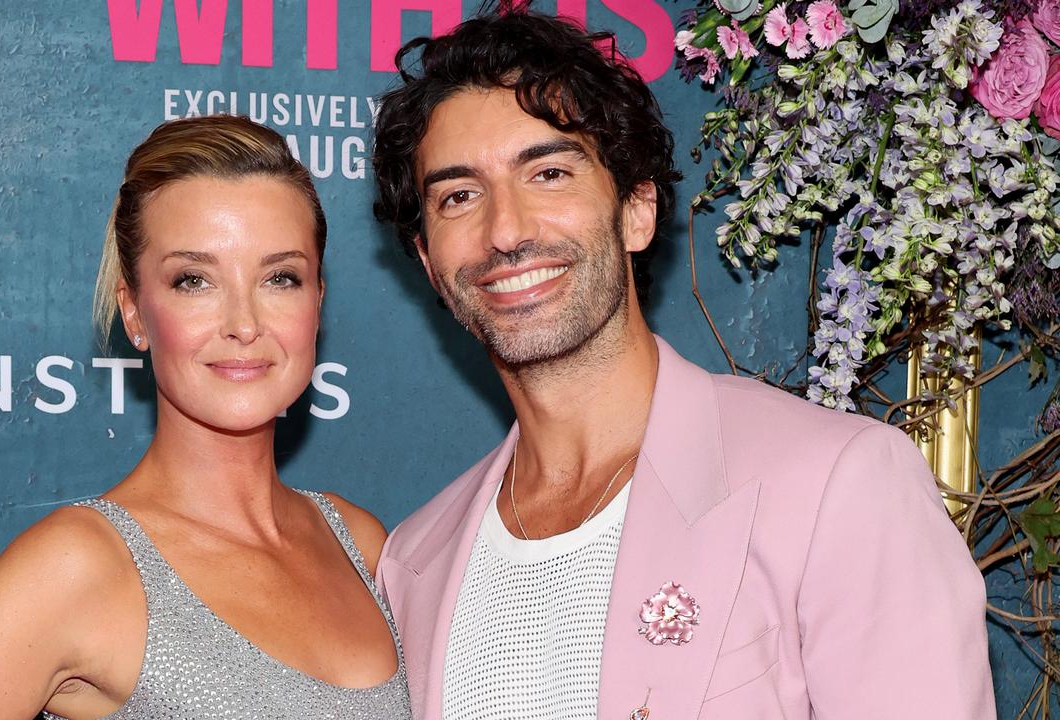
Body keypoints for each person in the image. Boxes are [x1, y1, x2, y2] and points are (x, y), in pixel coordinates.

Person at [370, 7, 993, 720]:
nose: (505, 230)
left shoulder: (836, 484)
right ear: (427, 260)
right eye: (458, 196)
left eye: (546, 173)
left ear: (637, 210)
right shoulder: (414, 563)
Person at [0, 116, 411, 720]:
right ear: (135, 313)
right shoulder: (81, 565)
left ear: (318, 301)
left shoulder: (359, 542)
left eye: (281, 278)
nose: (245, 323)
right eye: (194, 281)